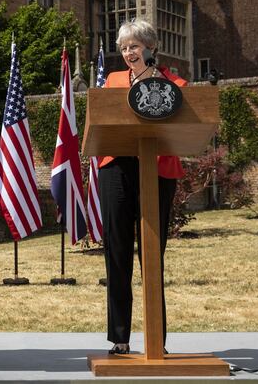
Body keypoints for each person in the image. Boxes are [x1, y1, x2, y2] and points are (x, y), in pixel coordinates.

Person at [97, 19, 187, 355]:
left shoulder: (174, 82)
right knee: (117, 253)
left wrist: (155, 79)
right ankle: (120, 335)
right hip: (117, 168)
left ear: (150, 47)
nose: (128, 53)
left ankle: (155, 340)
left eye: (134, 46)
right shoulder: (113, 81)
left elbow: (186, 116)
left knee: (151, 255)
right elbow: (102, 118)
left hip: (158, 170)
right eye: (123, 48)